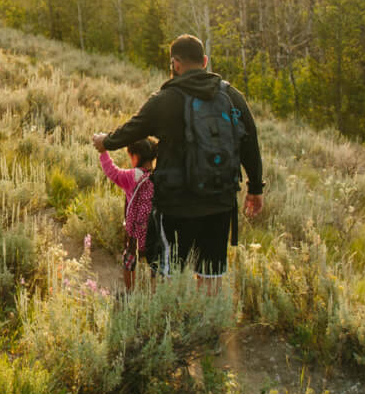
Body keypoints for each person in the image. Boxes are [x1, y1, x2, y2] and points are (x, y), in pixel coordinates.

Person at [94, 35, 264, 287]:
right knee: (211, 275)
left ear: (175, 63)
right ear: (204, 61)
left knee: (166, 274)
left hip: (176, 205)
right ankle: (207, 324)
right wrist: (255, 189)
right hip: (220, 201)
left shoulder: (165, 100)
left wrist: (104, 142)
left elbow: (132, 129)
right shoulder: (231, 97)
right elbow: (250, 142)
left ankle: (168, 323)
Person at [99, 136, 158, 292]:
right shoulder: (158, 176)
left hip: (134, 233)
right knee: (156, 265)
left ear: (135, 156)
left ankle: (130, 291)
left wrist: (103, 152)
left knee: (129, 261)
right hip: (154, 231)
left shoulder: (132, 176)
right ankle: (155, 293)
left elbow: (112, 172)